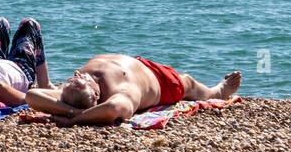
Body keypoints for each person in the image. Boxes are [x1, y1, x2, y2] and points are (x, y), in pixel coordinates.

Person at [26, 54, 241, 126]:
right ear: (95, 95)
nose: (78, 75)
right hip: (158, 80)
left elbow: (31, 96)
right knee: (187, 83)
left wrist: (68, 112)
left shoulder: (71, 92)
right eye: (81, 80)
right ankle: (218, 92)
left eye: (74, 77)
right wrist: (76, 119)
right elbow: (112, 109)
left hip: (134, 63)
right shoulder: (121, 92)